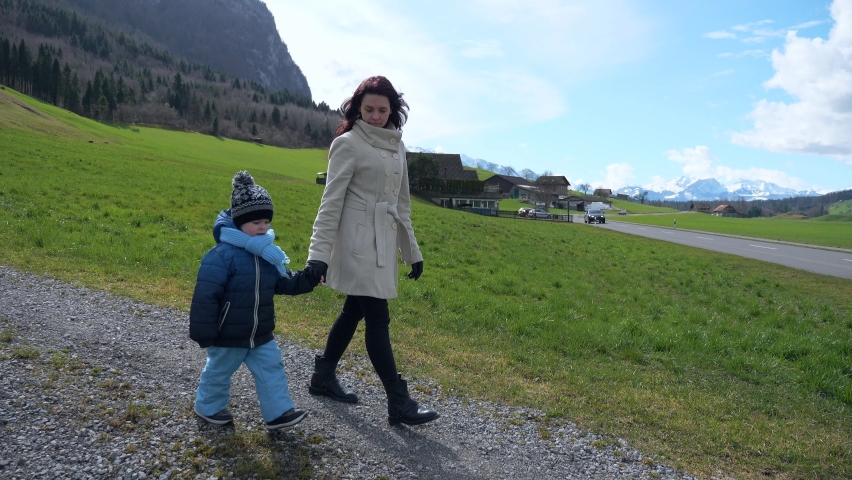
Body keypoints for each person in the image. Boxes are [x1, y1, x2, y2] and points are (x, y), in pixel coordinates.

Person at [304, 76, 438, 426]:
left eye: (382, 109)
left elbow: (402, 204)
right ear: (357, 109)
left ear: (393, 110)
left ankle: (323, 376)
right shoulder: (347, 144)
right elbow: (330, 203)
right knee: (377, 319)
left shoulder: (397, 147)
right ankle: (398, 401)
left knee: (353, 311)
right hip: (356, 246)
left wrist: (413, 252)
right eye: (369, 109)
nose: (376, 116)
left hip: (383, 244)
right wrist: (317, 256)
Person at [189, 171, 318, 430]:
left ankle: (278, 414)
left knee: (272, 369)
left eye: (266, 221)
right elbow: (205, 296)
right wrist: (203, 331)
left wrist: (310, 278)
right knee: (219, 372)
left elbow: (283, 282)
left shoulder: (267, 255)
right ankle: (208, 407)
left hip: (260, 333)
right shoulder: (222, 255)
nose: (263, 227)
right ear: (239, 222)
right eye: (256, 221)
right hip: (228, 333)